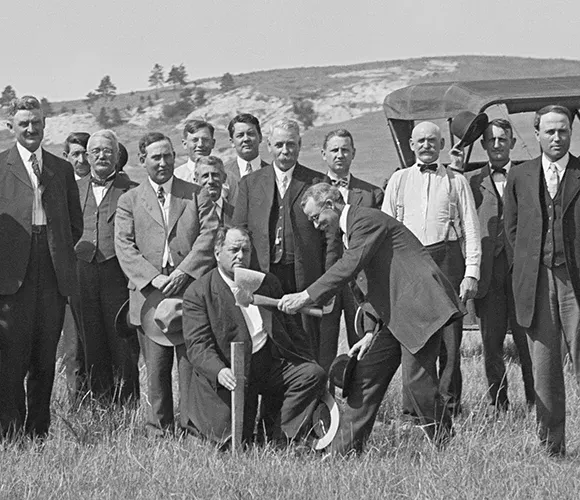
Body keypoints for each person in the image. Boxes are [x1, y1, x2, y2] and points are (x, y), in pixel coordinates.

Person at [278, 183, 465, 455]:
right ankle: (340, 454)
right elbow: (368, 285)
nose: (316, 225)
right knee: (365, 378)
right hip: (392, 317)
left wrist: (306, 296)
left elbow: (349, 268)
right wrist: (368, 332)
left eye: (316, 217)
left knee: (417, 386)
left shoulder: (365, 220)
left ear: (330, 205)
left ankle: (446, 446)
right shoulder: (350, 233)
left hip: (419, 308)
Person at [182, 225, 326, 445]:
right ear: (217, 253)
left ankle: (277, 439)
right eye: (234, 250)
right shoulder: (198, 293)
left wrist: (305, 358)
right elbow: (198, 346)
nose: (241, 256)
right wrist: (219, 371)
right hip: (230, 371)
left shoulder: (266, 282)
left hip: (267, 363)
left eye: (246, 250)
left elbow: (292, 332)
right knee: (235, 443)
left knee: (311, 374)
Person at [115, 132, 217, 436]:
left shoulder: (197, 194)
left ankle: (192, 427)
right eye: (156, 157)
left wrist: (184, 272)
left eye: (168, 155)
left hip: (189, 292)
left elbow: (210, 235)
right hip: (149, 296)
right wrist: (153, 277)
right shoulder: (129, 200)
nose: (163, 162)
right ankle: (158, 430)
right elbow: (124, 245)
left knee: (190, 366)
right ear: (142, 160)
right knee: (157, 370)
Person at [381, 121, 481, 416]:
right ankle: (416, 408)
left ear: (440, 146)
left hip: (448, 261)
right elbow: (385, 228)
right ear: (411, 145)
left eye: (432, 141)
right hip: (410, 265)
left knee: (450, 342)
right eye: (420, 140)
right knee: (415, 338)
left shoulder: (456, 181)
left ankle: (449, 406)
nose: (426, 145)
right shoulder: (398, 181)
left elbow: (472, 230)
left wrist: (471, 273)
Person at [0, 96, 83, 437]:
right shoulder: (1, 166)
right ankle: (10, 431)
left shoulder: (61, 169)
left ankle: (38, 432)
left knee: (44, 358)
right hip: (12, 276)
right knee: (10, 358)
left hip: (51, 273)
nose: (31, 129)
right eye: (24, 124)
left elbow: (74, 224)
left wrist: (56, 251)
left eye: (36, 122)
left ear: (45, 124)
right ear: (11, 127)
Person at [504, 105, 580, 456]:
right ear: (536, 133)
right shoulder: (520, 175)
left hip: (575, 282)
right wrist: (526, 273)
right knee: (545, 367)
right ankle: (552, 448)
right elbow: (512, 232)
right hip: (537, 282)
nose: (556, 137)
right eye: (549, 131)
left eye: (563, 130)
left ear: (571, 132)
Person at [233, 119, 338, 362]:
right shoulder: (250, 183)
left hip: (305, 276)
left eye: (291, 144)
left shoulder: (317, 181)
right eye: (278, 144)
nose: (285, 150)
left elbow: (331, 238)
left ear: (300, 146)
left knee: (306, 342)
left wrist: (328, 280)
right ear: (268, 146)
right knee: (266, 342)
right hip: (263, 277)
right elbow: (239, 231)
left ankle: (310, 395)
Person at [465, 119, 534, 410]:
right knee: (491, 344)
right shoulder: (470, 180)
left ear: (512, 143)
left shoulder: (528, 175)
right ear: (483, 145)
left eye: (502, 139)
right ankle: (499, 403)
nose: (497, 145)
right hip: (488, 275)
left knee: (527, 343)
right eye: (491, 140)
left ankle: (536, 402)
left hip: (520, 272)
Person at [75, 130, 140, 405]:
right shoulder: (73, 189)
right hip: (82, 272)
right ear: (87, 157)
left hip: (118, 274)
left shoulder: (133, 190)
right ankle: (96, 405)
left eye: (108, 151)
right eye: (96, 151)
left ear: (117, 155)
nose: (102, 156)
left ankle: (128, 406)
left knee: (122, 341)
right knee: (88, 341)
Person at [318, 129, 384, 372]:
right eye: (334, 150)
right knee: (323, 347)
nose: (340, 155)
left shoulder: (371, 193)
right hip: (325, 279)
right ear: (323, 154)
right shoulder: (312, 192)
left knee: (362, 343)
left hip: (360, 283)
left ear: (354, 153)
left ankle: (361, 402)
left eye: (345, 149)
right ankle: (323, 405)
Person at [61, 131, 91, 403]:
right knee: (73, 348)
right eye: (75, 154)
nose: (82, 160)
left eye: (86, 153)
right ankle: (76, 404)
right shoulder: (58, 186)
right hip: (68, 275)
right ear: (66, 157)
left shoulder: (102, 186)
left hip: (100, 275)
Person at [224, 113, 269, 205]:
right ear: (232, 142)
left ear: (260, 137)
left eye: (251, 134)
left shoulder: (273, 173)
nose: (246, 139)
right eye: (240, 135)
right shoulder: (224, 175)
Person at [196, 156, 233, 225]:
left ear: (224, 178)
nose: (211, 181)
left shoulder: (237, 214)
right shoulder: (191, 215)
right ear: (196, 179)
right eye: (205, 176)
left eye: (215, 175)